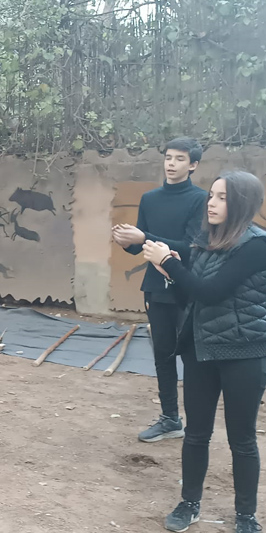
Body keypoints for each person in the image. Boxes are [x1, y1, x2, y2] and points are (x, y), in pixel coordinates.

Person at [142, 171, 266, 533]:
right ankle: (189, 503)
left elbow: (212, 292)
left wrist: (169, 264)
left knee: (242, 439)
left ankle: (246, 516)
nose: (211, 203)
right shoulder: (207, 241)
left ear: (241, 204)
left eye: (221, 197)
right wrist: (168, 268)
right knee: (196, 434)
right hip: (202, 350)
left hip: (244, 353)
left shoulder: (258, 246)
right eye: (212, 196)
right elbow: (192, 294)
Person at [113, 137, 207, 443]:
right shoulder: (150, 199)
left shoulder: (200, 200)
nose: (171, 163)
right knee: (163, 354)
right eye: (168, 157)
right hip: (155, 286)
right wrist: (128, 242)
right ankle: (170, 418)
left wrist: (145, 236)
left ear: (193, 165)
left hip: (186, 286)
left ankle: (198, 422)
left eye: (180, 159)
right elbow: (142, 246)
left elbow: (192, 248)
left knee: (193, 355)